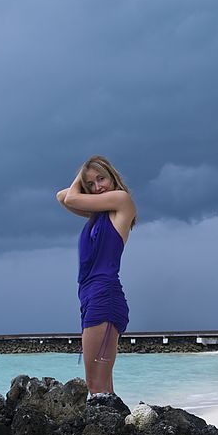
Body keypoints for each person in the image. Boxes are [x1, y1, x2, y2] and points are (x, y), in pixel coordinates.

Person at [56, 155, 136, 397]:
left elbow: (69, 196)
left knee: (96, 387)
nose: (97, 187)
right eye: (90, 184)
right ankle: (117, 431)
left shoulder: (122, 200)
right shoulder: (98, 215)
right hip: (90, 296)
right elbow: (62, 196)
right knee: (102, 388)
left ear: (113, 177)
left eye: (102, 179)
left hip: (104, 295)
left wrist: (85, 173)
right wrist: (84, 174)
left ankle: (107, 431)